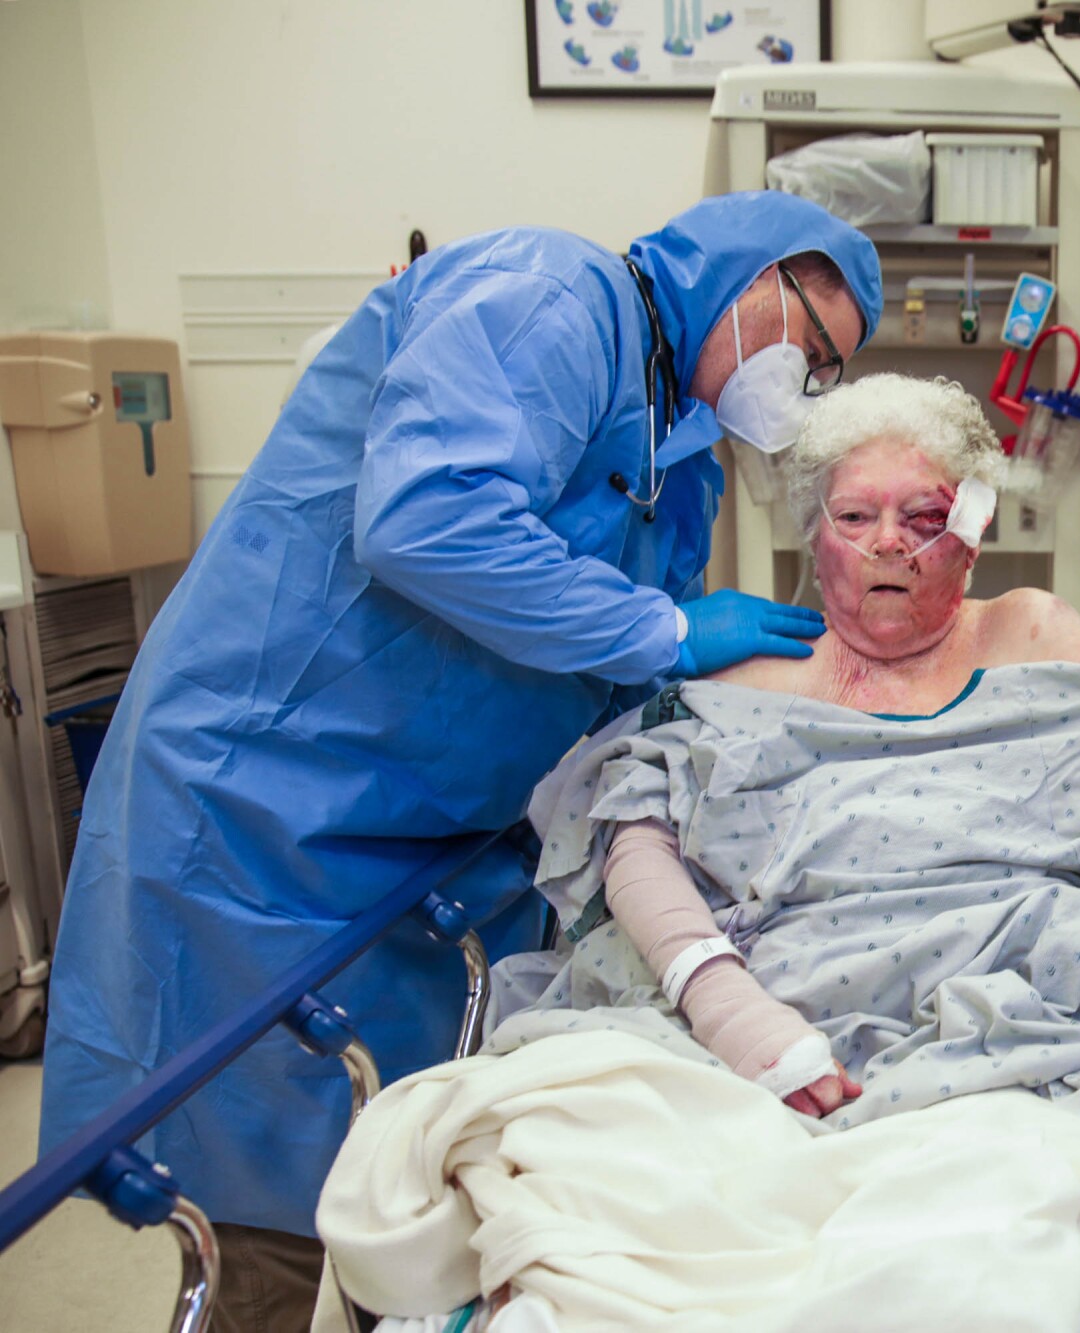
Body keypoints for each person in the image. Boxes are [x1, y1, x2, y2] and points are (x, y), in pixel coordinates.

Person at [38, 191, 882, 1332]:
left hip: (438, 831)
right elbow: (428, 520)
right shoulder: (551, 298)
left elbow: (629, 664)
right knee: (270, 1205)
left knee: (402, 1180)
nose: (806, 382)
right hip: (272, 803)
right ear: (748, 274)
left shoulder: (677, 452)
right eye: (810, 347)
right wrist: (673, 633)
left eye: (828, 373)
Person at [477, 372, 1080, 1323]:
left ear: (972, 527)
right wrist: (733, 1014)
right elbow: (633, 835)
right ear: (815, 530)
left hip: (1020, 1010)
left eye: (922, 516)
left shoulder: (1033, 637)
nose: (888, 542)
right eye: (855, 515)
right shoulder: (754, 671)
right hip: (775, 1020)